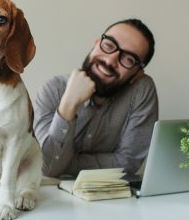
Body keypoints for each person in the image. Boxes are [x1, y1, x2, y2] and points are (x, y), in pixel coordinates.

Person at [34, 19, 158, 178]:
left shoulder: (141, 91)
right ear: (97, 43)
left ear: (137, 73)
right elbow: (48, 167)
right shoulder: (53, 90)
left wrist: (66, 164)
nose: (110, 60)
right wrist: (68, 105)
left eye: (128, 59)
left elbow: (128, 163)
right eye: (109, 45)